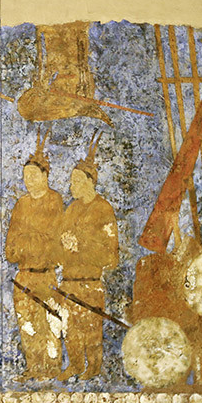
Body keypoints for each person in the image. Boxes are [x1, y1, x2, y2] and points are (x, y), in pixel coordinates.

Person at [56, 134, 119, 381]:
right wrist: (64, 245)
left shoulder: (103, 209)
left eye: (76, 181)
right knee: (70, 327)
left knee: (91, 327)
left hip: (91, 281)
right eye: (71, 180)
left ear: (90, 182)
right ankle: (74, 364)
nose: (71, 185)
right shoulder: (71, 208)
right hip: (68, 279)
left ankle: (93, 366)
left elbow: (110, 253)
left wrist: (80, 244)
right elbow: (60, 241)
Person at [6, 130, 64, 381]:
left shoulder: (55, 201)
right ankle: (33, 367)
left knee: (49, 323)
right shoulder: (21, 204)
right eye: (25, 176)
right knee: (26, 323)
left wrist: (28, 242)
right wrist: (29, 242)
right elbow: (11, 247)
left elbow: (51, 242)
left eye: (33, 175)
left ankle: (50, 369)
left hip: (46, 274)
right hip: (24, 274)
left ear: (45, 175)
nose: (28, 180)